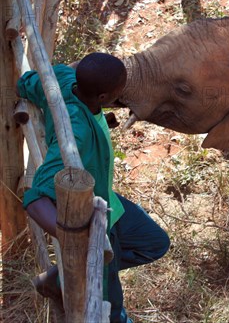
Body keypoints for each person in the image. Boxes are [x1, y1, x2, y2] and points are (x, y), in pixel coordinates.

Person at [18, 52, 170, 323]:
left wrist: (102, 121)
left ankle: (57, 276)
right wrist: (77, 238)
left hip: (108, 200)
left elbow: (29, 81)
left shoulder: (64, 81)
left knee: (155, 243)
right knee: (108, 305)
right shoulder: (77, 136)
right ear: (103, 98)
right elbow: (35, 198)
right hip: (93, 220)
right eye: (118, 92)